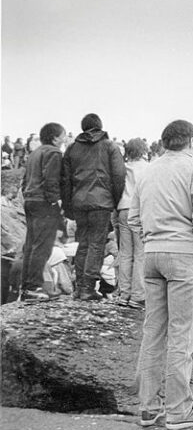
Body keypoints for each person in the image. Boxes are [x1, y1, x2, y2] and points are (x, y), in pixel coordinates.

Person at [129, 119, 193, 430]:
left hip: (152, 254)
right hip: (185, 255)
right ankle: (178, 411)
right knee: (182, 333)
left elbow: (133, 218)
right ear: (191, 141)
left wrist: (153, 240)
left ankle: (147, 408)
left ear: (165, 141)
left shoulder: (148, 170)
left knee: (153, 331)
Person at [61, 113, 126, 300]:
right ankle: (88, 287)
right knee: (97, 244)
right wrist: (113, 200)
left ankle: (80, 286)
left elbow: (65, 180)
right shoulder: (110, 147)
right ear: (100, 126)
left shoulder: (72, 148)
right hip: (102, 202)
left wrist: (68, 206)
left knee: (83, 243)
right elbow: (119, 176)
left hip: (79, 202)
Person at [19, 123, 67, 301]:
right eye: (63, 135)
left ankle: (27, 286)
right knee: (43, 246)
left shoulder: (34, 153)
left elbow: (25, 181)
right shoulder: (54, 153)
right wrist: (55, 201)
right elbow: (51, 179)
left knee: (31, 244)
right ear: (55, 138)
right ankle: (33, 287)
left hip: (30, 200)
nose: (65, 139)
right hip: (44, 203)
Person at [115, 138, 150, 307]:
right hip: (140, 210)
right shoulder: (148, 168)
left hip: (123, 209)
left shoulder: (123, 168)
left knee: (125, 253)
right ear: (143, 151)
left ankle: (124, 293)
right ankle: (138, 295)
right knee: (140, 253)